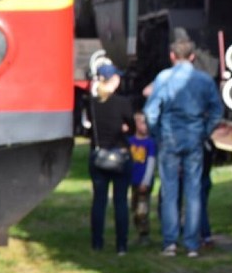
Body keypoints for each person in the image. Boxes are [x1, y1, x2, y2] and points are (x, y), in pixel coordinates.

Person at [144, 37, 223, 258]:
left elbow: (151, 112)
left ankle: (170, 242)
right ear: (193, 56)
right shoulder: (204, 80)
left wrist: (157, 133)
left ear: (172, 56)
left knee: (170, 190)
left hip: (169, 136)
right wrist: (204, 131)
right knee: (194, 190)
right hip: (195, 136)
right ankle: (192, 244)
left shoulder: (164, 78)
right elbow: (217, 111)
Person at [89, 63, 134, 255]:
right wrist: (125, 128)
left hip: (98, 155)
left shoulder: (92, 103)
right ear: (114, 80)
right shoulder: (123, 103)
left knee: (99, 201)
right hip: (120, 155)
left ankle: (97, 243)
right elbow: (131, 127)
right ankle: (121, 245)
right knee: (120, 202)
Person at [128, 111, 157, 245]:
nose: (144, 126)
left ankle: (144, 234)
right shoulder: (130, 141)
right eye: (141, 122)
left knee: (142, 209)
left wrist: (146, 181)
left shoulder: (149, 143)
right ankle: (139, 232)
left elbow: (151, 163)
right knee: (134, 208)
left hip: (144, 181)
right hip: (133, 180)